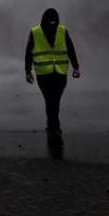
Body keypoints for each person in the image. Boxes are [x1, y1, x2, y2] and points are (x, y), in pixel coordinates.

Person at [25, 8, 80, 147]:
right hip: (43, 75)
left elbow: (70, 48)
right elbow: (28, 53)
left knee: (55, 100)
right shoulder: (35, 32)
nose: (52, 25)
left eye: (54, 23)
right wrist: (28, 71)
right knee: (50, 100)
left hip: (60, 73)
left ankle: (52, 126)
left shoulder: (62, 30)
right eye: (49, 23)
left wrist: (76, 67)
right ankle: (53, 127)